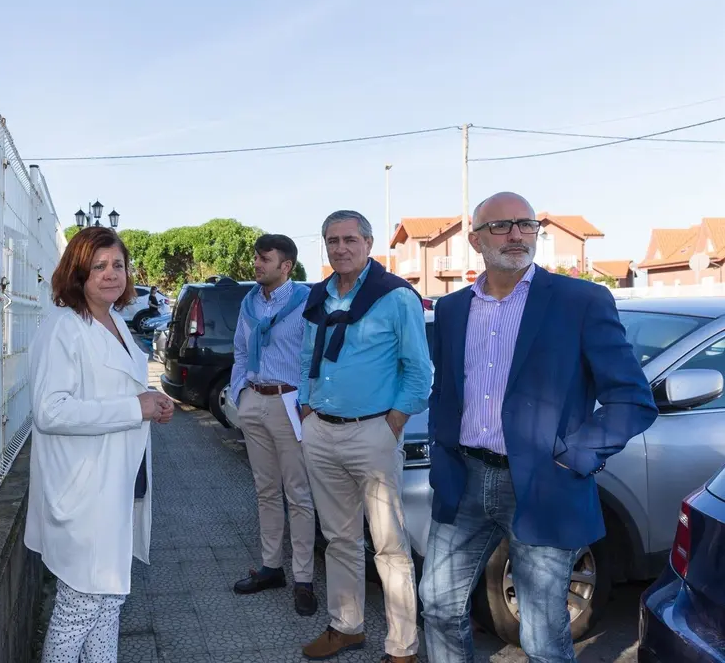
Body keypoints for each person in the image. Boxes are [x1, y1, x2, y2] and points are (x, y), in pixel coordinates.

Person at [418, 192, 658, 663]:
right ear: (475, 239)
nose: (516, 235)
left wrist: (575, 457)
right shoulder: (451, 309)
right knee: (438, 603)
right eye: (502, 226)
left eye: (526, 225)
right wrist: (442, 453)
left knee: (543, 633)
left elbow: (631, 398)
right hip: (464, 479)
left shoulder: (580, 301)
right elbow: (445, 390)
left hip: (545, 485)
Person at [25, 226, 175, 663]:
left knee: (108, 604)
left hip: (117, 481)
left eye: (119, 265)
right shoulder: (64, 328)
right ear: (78, 272)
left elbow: (122, 388)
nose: (112, 274)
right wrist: (136, 408)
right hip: (85, 491)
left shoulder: (114, 321)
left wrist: (155, 402)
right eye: (99, 266)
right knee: (80, 609)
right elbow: (50, 411)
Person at [298, 210, 432, 663]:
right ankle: (346, 626)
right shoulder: (319, 296)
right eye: (332, 240)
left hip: (372, 433)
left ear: (369, 243)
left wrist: (391, 423)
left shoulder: (395, 297)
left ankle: (402, 648)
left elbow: (419, 370)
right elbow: (306, 356)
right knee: (338, 538)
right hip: (321, 430)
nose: (340, 248)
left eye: (349, 239)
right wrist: (305, 404)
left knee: (391, 545)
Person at [228, 233, 317, 616]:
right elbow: (240, 351)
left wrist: (308, 404)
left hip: (290, 405)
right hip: (255, 402)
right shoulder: (249, 303)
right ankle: (271, 568)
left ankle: (304, 579)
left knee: (298, 494)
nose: (256, 264)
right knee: (265, 491)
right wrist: (238, 395)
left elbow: (317, 357)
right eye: (256, 258)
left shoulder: (307, 303)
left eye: (265, 259)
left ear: (286, 266)